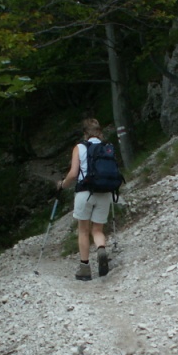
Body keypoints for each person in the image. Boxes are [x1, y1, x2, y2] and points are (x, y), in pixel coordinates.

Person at [57, 118, 112, 280]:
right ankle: (101, 249)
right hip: (104, 192)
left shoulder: (79, 147)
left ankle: (85, 269)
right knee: (97, 230)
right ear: (99, 131)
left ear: (85, 133)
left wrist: (62, 185)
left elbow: (73, 173)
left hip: (84, 192)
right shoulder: (107, 147)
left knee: (83, 230)